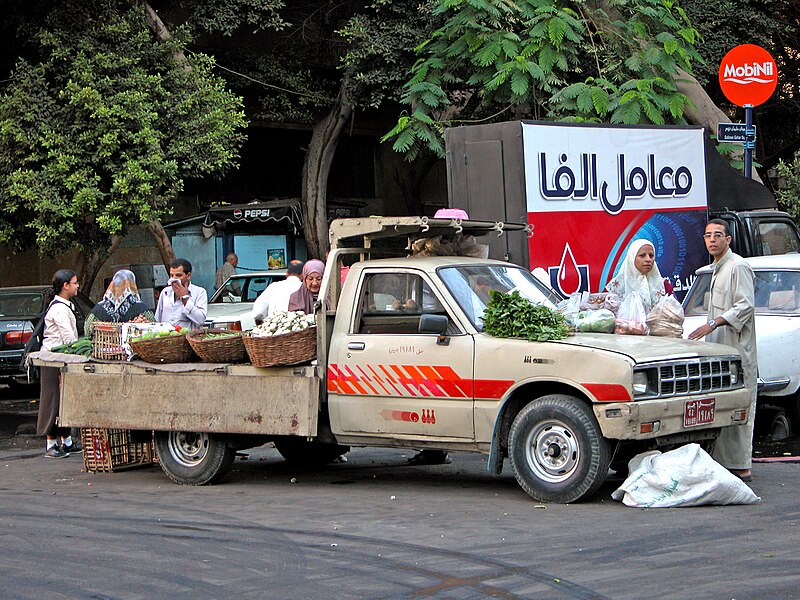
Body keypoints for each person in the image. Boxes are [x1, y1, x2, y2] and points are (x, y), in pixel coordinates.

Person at [689, 219, 757, 482]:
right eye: (708, 236)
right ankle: (726, 463)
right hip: (719, 350)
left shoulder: (737, 266)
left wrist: (714, 323)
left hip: (737, 349)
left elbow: (745, 306)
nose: (712, 240)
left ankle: (742, 465)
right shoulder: (716, 268)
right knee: (721, 405)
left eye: (717, 235)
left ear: (728, 240)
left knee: (740, 405)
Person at [37, 269, 82, 458]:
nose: (77, 285)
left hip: (61, 360)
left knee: (64, 401)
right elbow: (69, 339)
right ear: (65, 286)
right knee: (52, 400)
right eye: (74, 282)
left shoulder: (65, 306)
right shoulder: (59, 309)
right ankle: (50, 443)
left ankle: (67, 440)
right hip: (53, 360)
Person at [84, 269, 155, 336]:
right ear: (133, 284)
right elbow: (154, 328)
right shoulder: (142, 309)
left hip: (105, 347)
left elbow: (87, 331)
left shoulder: (99, 309)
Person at [605, 238, 666, 312]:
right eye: (642, 255)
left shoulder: (663, 285)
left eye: (651, 255)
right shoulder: (616, 286)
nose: (648, 259)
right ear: (632, 258)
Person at [154, 258, 208, 331]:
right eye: (171, 275)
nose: (174, 279)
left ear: (188, 276)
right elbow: (157, 319)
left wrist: (184, 297)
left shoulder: (199, 292)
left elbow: (200, 320)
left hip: (187, 339)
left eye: (178, 275)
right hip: (166, 338)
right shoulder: (165, 292)